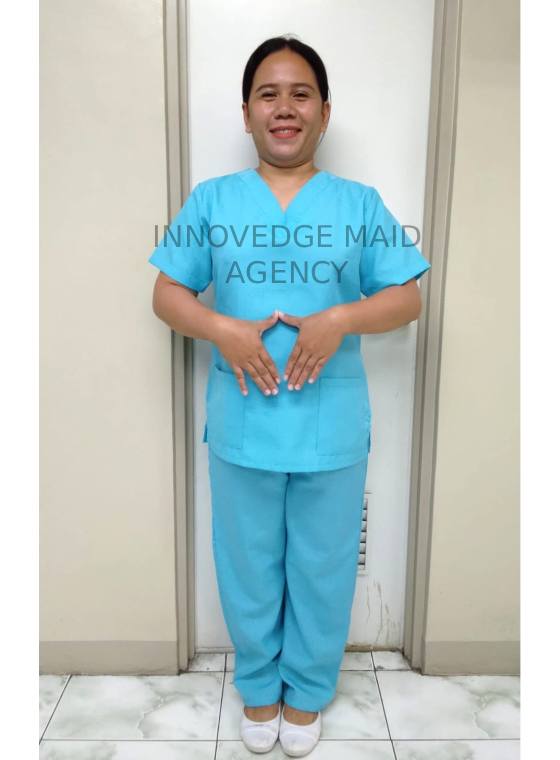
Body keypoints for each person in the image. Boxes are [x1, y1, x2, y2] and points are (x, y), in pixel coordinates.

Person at [149, 35, 431, 757]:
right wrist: (222, 329)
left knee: (322, 563)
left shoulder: (358, 205)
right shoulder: (213, 201)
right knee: (247, 561)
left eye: (301, 94)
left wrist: (341, 319)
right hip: (243, 417)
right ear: (246, 112)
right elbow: (167, 292)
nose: (284, 108)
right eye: (268, 94)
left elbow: (406, 298)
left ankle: (305, 691)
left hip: (329, 422)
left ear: (324, 112)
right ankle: (258, 684)